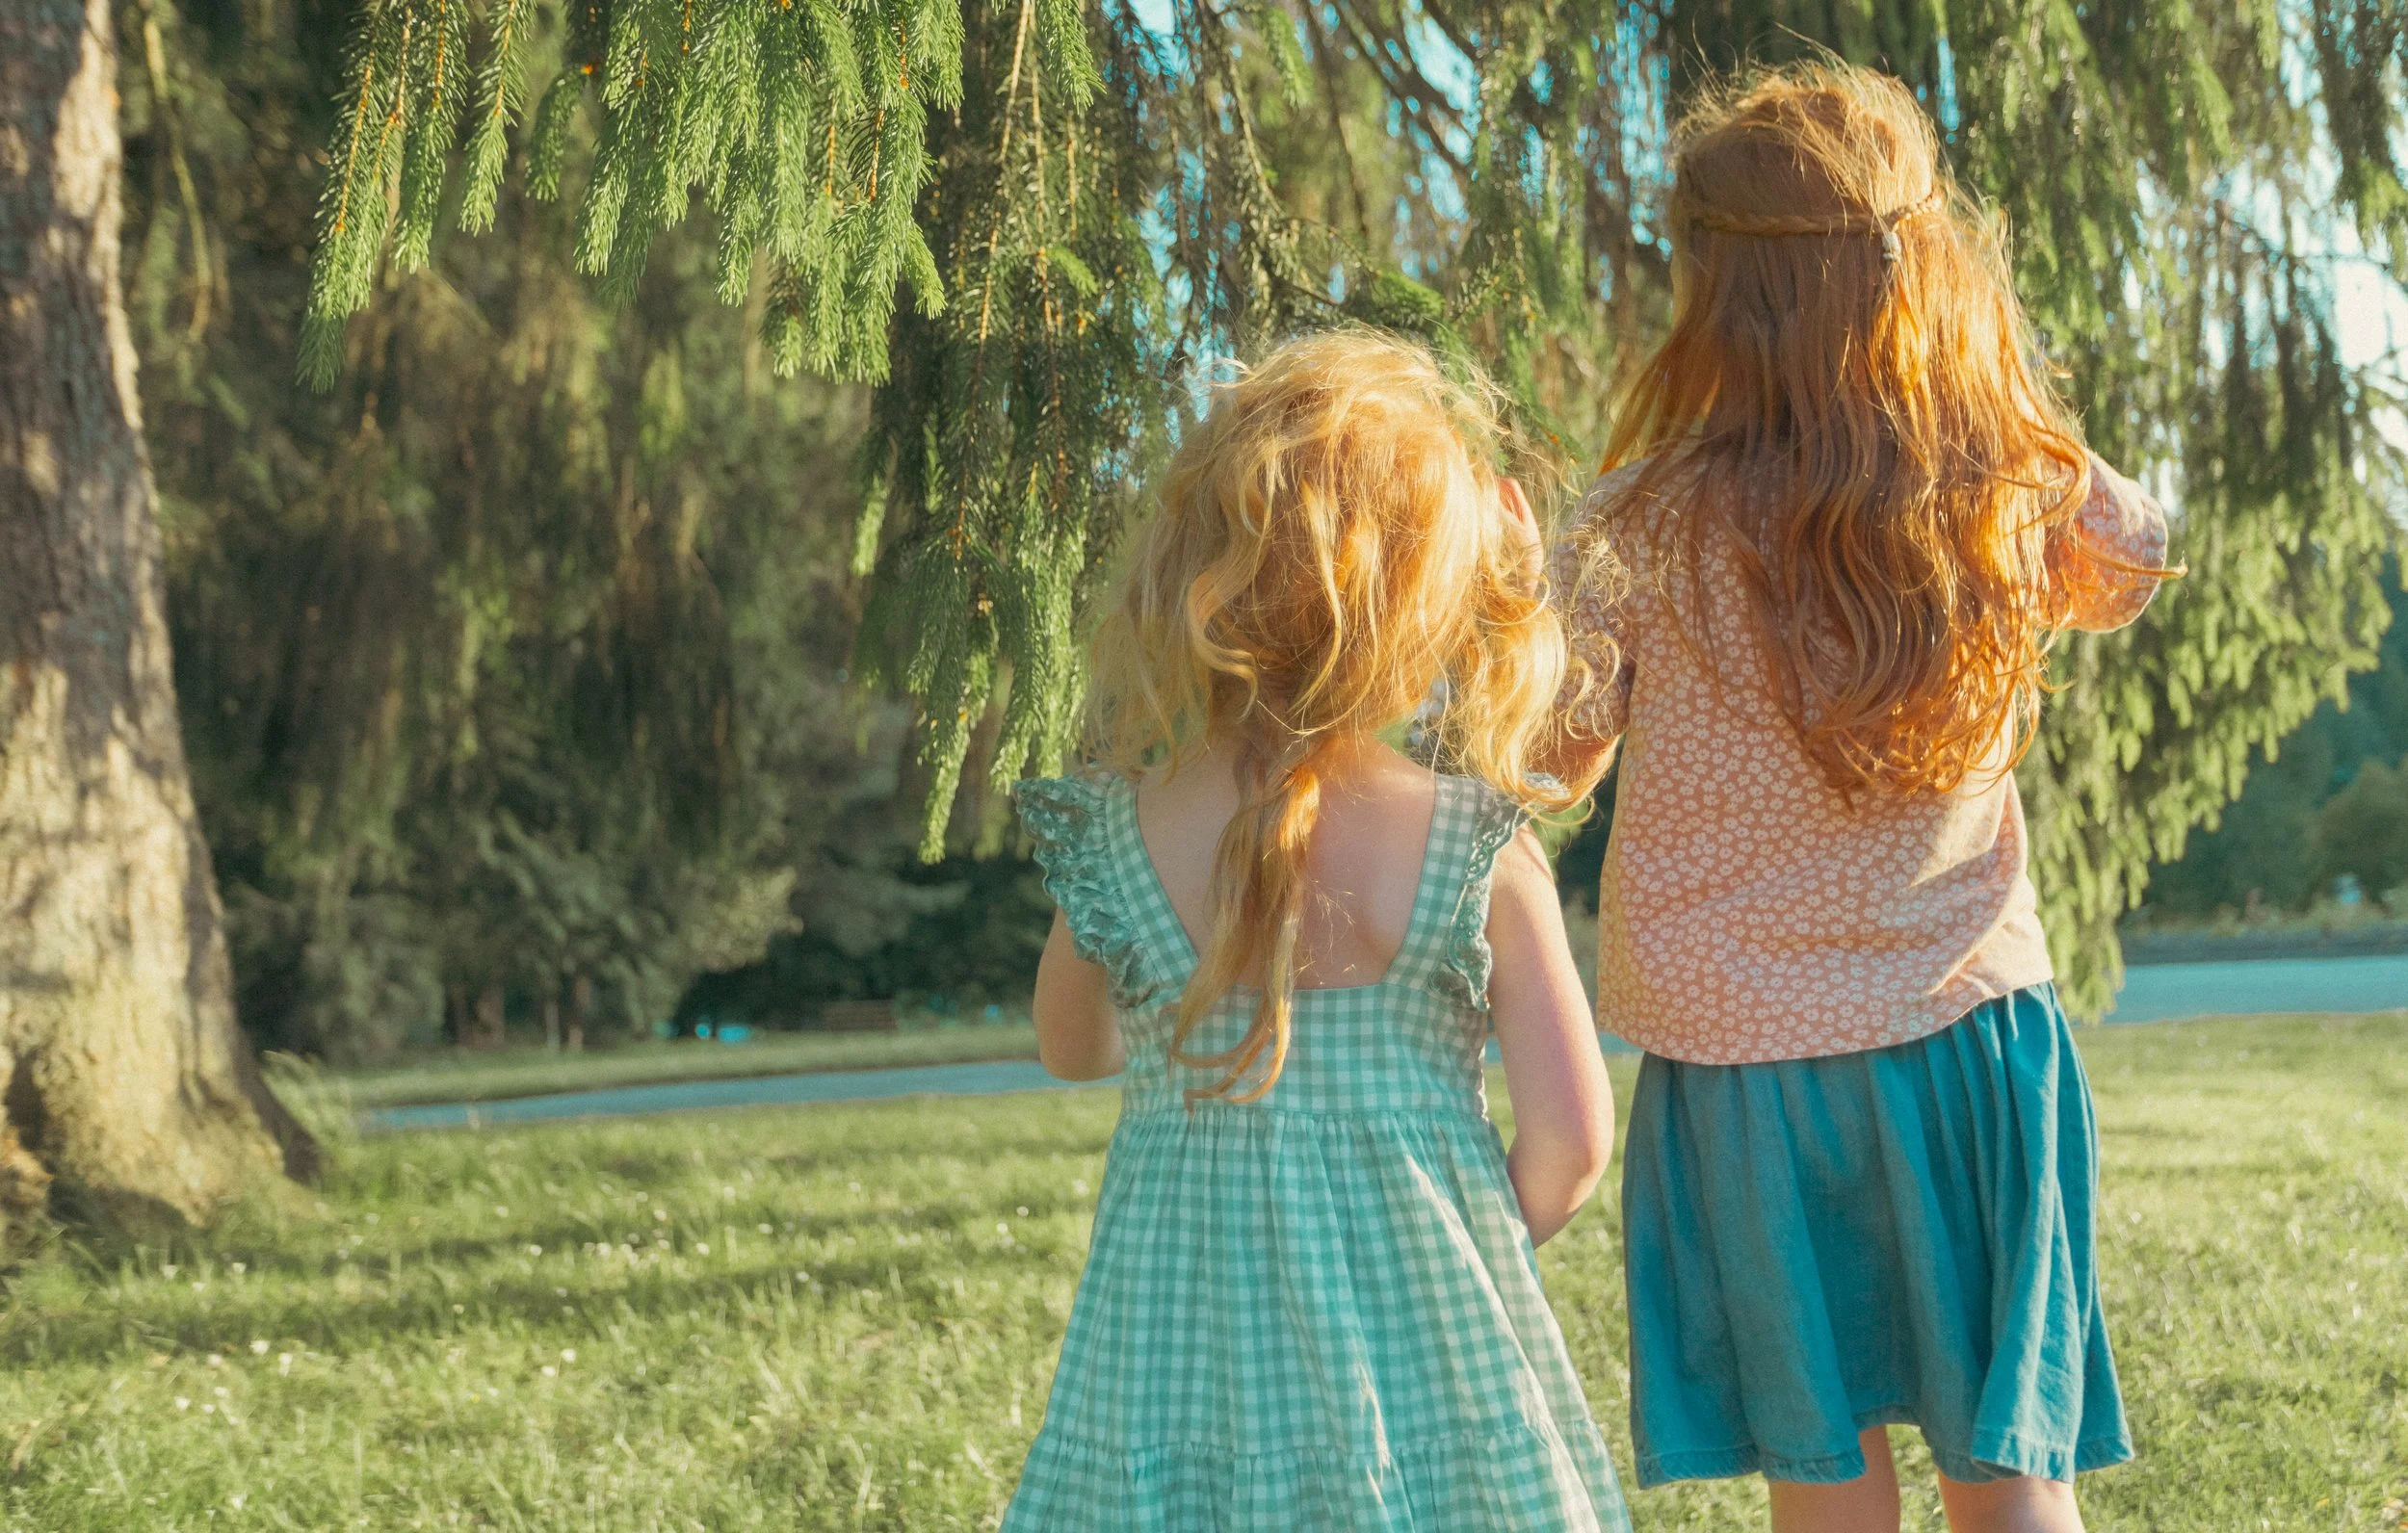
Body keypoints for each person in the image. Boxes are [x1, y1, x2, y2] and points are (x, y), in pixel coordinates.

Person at [1543, 63, 2172, 1533]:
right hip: (1971, 1043)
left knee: (1824, 1481)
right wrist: (1986, 391)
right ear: (1922, 260)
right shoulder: (1999, 488)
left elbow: (1548, 760)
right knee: (2012, 1475)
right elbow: (2135, 557)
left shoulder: (1633, 524)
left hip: (1746, 1072)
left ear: (1711, 287)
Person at [1003, 330, 1632, 1531]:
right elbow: (1571, 1144)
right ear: (1427, 605)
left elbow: (1072, 1049)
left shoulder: (1119, 836)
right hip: (1434, 1377)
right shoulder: (1475, 847)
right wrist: (1443, 1261)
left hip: (1179, 1382)